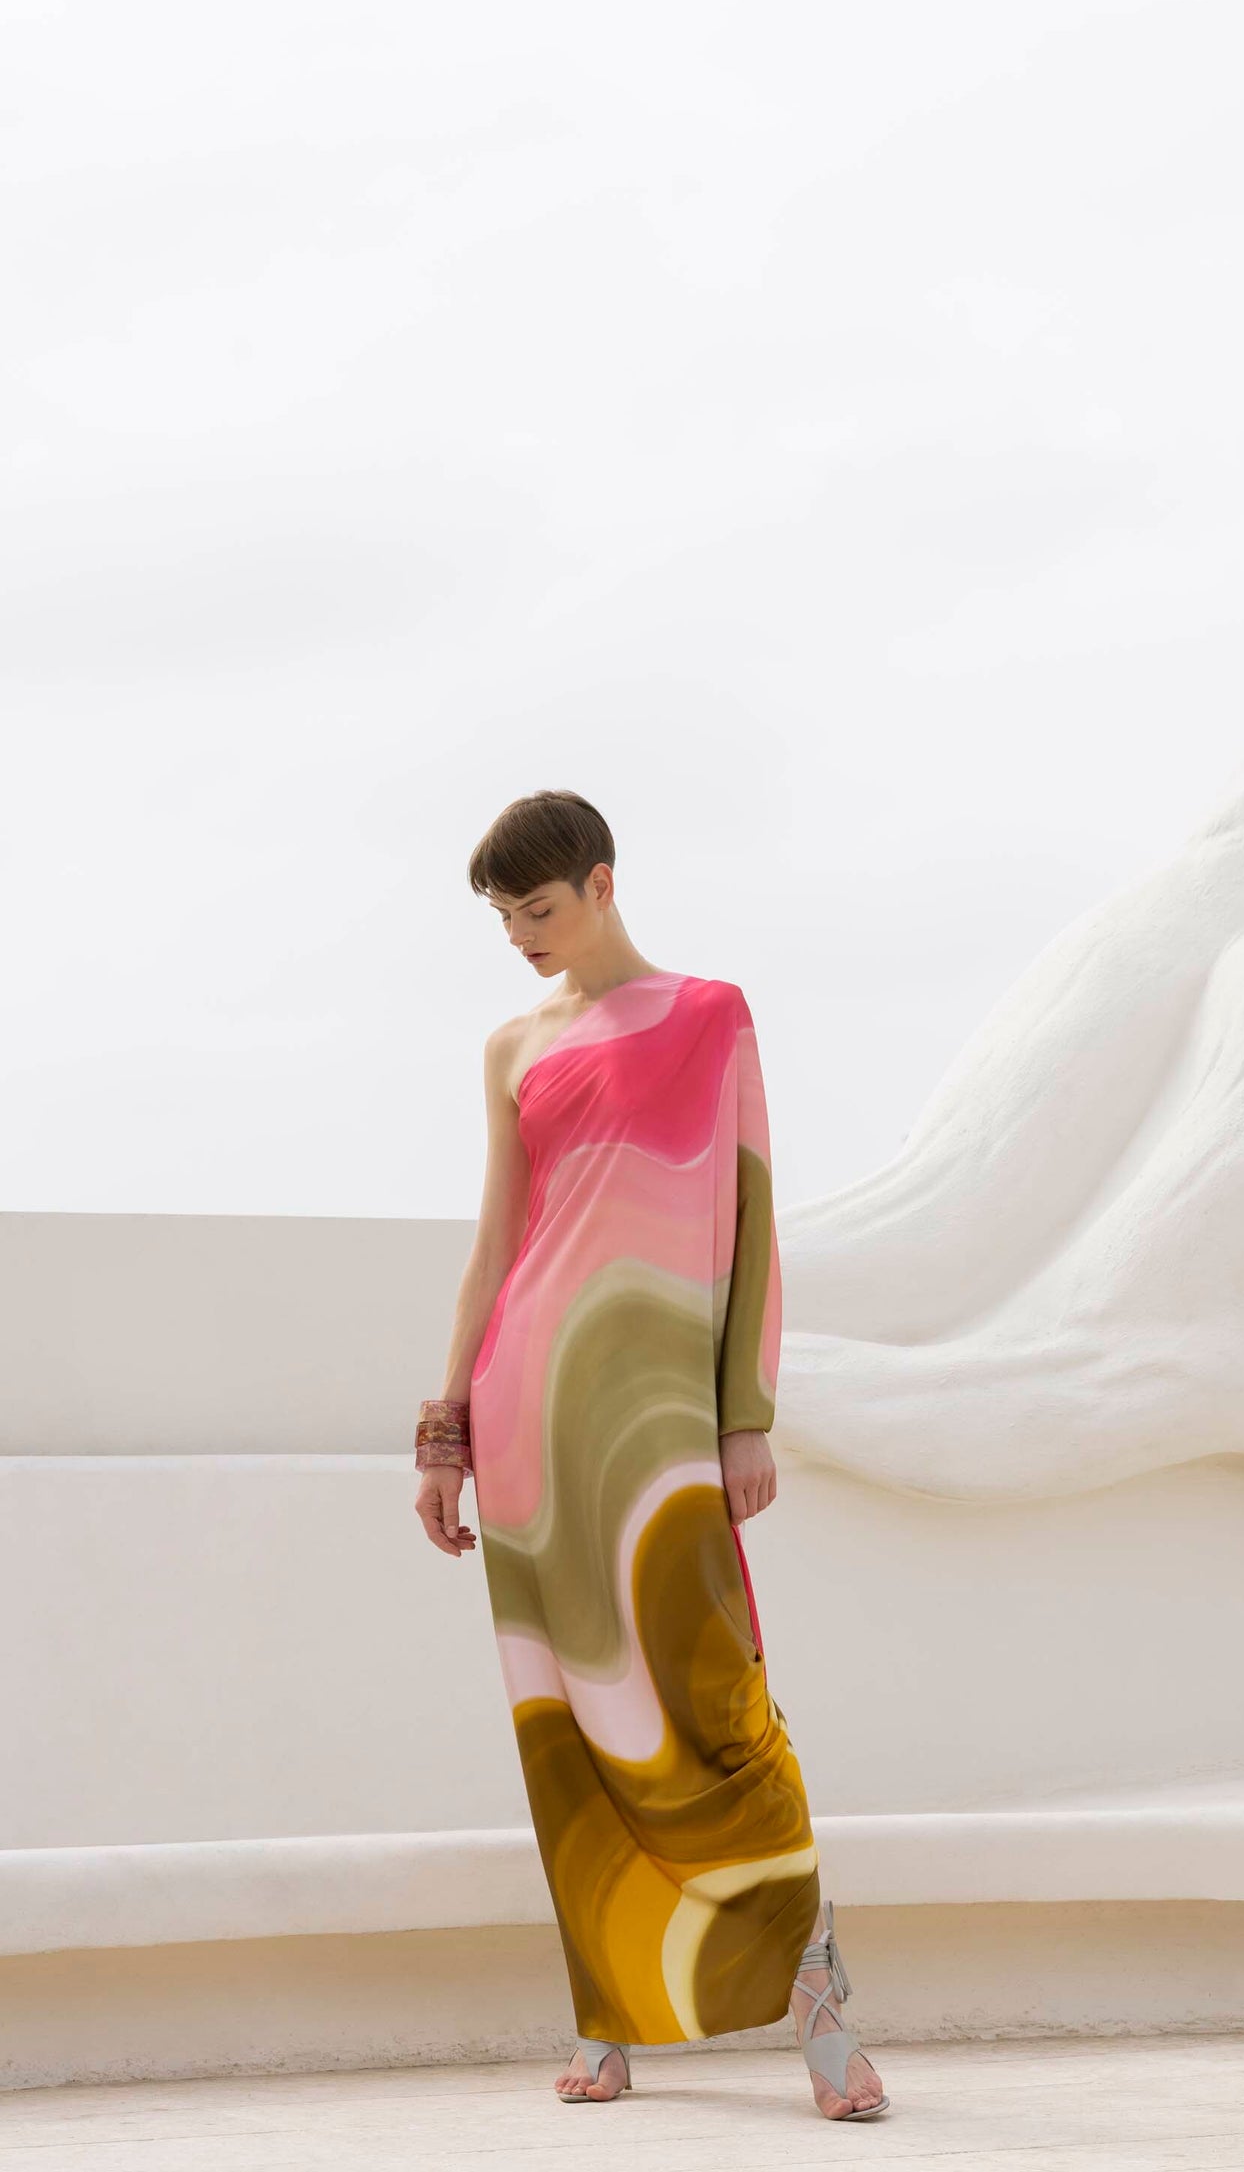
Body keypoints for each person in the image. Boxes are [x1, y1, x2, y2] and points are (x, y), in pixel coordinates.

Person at [412, 788, 889, 2122]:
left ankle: (815, 2002)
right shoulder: (514, 1045)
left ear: (604, 882)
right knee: (569, 1727)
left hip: (665, 1428)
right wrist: (446, 1425)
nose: (522, 934)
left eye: (541, 908)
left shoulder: (709, 1014)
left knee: (719, 1709)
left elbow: (751, 1212)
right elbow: (496, 1244)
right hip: (527, 1424)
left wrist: (744, 1414)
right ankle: (608, 2012)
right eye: (506, 917)